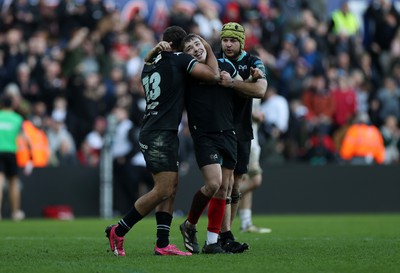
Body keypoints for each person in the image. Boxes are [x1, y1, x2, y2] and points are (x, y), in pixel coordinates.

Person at [104, 26, 219, 257]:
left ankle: (163, 243)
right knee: (163, 188)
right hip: (159, 132)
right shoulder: (179, 59)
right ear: (179, 47)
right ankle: (119, 229)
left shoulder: (149, 65)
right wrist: (206, 46)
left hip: (159, 130)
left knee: (172, 187)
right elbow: (213, 75)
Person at [178, 34, 240, 254]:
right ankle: (190, 224)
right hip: (204, 134)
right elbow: (213, 76)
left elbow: (241, 88)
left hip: (228, 132)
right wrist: (209, 49)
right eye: (190, 48)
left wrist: (245, 80)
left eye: (197, 44)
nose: (195, 49)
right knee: (214, 183)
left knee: (225, 187)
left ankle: (212, 241)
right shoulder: (189, 70)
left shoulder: (227, 66)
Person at [216, 22, 268, 252]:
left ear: (241, 42)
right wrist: (246, 84)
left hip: (243, 131)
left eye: (233, 40)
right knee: (222, 185)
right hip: (219, 128)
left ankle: (225, 233)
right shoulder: (214, 60)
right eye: (225, 39)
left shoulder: (253, 62)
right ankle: (220, 233)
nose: (228, 44)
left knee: (236, 186)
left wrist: (234, 83)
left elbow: (260, 90)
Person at [0, 94, 25, 221]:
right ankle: (15, 212)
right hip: (10, 152)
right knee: (13, 182)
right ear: (12, 105)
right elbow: (22, 137)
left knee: (0, 181)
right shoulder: (17, 119)